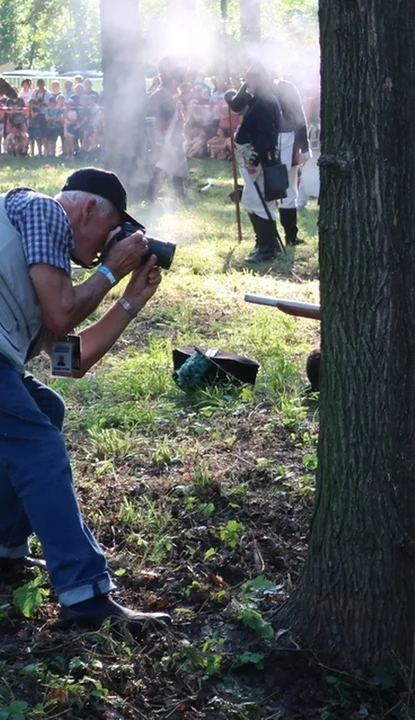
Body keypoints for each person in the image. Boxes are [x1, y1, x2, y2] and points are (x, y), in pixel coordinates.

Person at [0, 168, 169, 629]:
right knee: (38, 446)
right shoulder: (42, 209)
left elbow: (70, 362)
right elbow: (62, 310)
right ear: (88, 207)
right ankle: (86, 595)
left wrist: (130, 299)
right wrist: (111, 268)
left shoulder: (43, 260)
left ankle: (4, 548)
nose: (103, 246)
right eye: (109, 232)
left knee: (45, 407)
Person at [228, 63, 284, 263]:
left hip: (259, 159)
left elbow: (267, 137)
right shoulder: (259, 99)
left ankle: (267, 247)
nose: (247, 81)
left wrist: (255, 161)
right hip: (254, 157)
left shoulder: (266, 102)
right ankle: (265, 243)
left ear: (260, 78)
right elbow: (236, 104)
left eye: (250, 77)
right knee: (255, 202)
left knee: (259, 203)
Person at [273, 74, 309, 246]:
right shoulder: (254, 89)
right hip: (265, 144)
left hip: (287, 142)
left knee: (288, 193)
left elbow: (299, 118)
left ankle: (290, 235)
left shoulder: (287, 88)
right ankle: (268, 239)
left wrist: (305, 147)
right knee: (266, 195)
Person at [147, 58, 189, 201]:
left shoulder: (169, 95)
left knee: (176, 166)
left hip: (173, 137)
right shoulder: (159, 96)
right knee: (163, 165)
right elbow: (154, 120)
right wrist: (161, 138)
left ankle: (179, 194)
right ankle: (151, 195)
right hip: (165, 137)